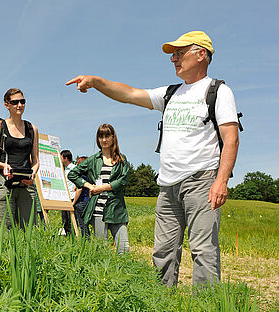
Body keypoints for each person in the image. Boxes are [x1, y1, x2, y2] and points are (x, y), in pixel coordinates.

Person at [66, 31, 239, 286]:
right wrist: (96, 82)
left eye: (180, 53)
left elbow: (231, 139)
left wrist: (221, 180)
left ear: (201, 54)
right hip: (167, 185)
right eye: (173, 55)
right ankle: (163, 306)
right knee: (163, 251)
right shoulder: (170, 94)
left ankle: (206, 311)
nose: (174, 59)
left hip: (201, 181)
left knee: (203, 250)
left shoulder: (218, 91)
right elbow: (130, 94)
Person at [68, 124, 130, 253]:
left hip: (116, 208)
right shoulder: (93, 160)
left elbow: (123, 181)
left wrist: (102, 188)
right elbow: (72, 174)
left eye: (107, 136)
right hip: (98, 210)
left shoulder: (121, 159)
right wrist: (88, 185)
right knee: (101, 250)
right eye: (101, 136)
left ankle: (122, 272)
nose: (104, 139)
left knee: (123, 249)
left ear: (113, 138)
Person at [0, 88, 39, 230]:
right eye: (15, 102)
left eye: (22, 101)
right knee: (5, 229)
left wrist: (32, 173)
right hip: (3, 182)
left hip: (26, 183)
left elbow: (35, 160)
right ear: (6, 105)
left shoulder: (32, 129)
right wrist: (3, 165)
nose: (19, 105)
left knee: (29, 230)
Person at [73, 155, 91, 237]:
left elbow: (79, 190)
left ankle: (85, 241)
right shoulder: (89, 176)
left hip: (81, 202)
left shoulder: (81, 176)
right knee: (86, 223)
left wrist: (73, 202)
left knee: (82, 224)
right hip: (87, 201)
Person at [60, 149, 76, 236]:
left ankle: (73, 237)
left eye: (61, 157)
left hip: (72, 197)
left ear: (65, 158)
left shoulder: (74, 168)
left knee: (71, 220)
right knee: (65, 220)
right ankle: (68, 237)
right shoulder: (64, 170)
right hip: (65, 197)